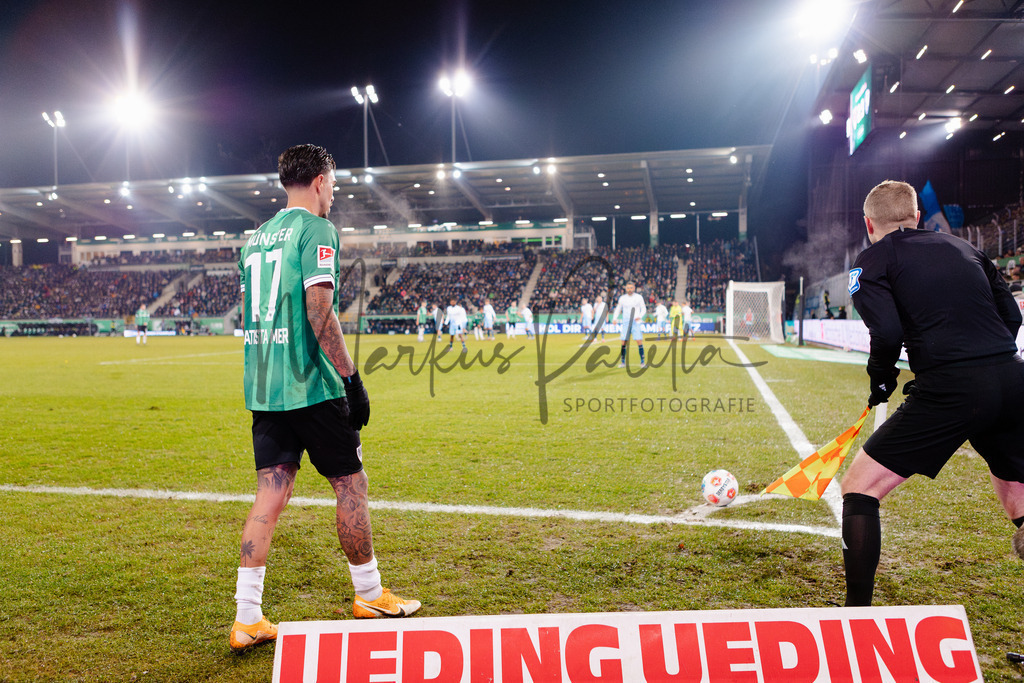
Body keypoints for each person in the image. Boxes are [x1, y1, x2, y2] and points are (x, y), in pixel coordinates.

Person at [231, 144, 420, 652]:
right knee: (350, 486)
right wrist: (352, 379)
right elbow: (318, 311)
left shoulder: (256, 239)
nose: (334, 192)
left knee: (270, 495)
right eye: (333, 183)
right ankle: (370, 594)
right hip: (310, 386)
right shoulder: (317, 230)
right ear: (317, 180)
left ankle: (247, 617)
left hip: (265, 388)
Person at [841, 179, 1024, 607]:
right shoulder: (967, 249)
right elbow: (1011, 316)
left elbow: (886, 331)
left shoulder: (870, 261)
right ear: (918, 217)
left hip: (952, 387)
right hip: (1013, 377)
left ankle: (855, 621)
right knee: (1018, 496)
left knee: (859, 488)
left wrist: (881, 378)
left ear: (868, 223)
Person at [612, 283, 647, 367]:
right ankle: (623, 362)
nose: (630, 289)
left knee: (639, 341)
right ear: (626, 289)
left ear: (634, 288)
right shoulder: (622, 298)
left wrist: (640, 316)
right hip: (626, 322)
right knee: (623, 342)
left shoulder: (639, 297)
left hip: (636, 322)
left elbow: (644, 308)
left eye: (631, 288)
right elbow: (618, 309)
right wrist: (614, 318)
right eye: (628, 288)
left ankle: (642, 362)